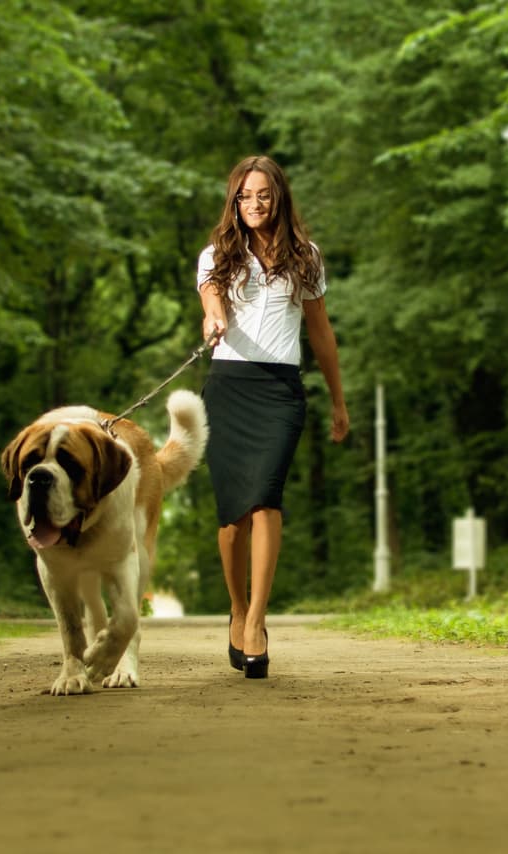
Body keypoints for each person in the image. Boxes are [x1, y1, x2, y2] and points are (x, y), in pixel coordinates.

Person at [196, 155, 349, 680]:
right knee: (232, 519)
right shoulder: (217, 254)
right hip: (228, 388)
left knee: (265, 499)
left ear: (278, 198)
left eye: (263, 195)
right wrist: (214, 318)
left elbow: (321, 333)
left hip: (280, 391)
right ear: (233, 201)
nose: (253, 204)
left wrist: (338, 400)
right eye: (244, 196)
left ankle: (257, 620)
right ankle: (236, 608)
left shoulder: (306, 256)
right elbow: (210, 300)